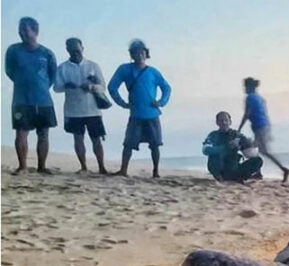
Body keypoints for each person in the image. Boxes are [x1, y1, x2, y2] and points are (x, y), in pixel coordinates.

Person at [108, 39, 171, 178]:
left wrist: (161, 102)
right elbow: (112, 87)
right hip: (136, 114)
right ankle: (123, 170)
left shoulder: (153, 71)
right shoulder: (125, 69)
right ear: (132, 54)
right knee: (128, 144)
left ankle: (156, 171)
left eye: (142, 52)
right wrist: (122, 103)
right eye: (136, 52)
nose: (140, 55)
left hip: (152, 114)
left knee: (155, 145)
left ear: (146, 53)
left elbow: (166, 88)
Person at [4, 17, 57, 175]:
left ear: (35, 31)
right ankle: (23, 166)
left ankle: (41, 166)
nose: (22, 33)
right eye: (20, 30)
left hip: (43, 100)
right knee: (21, 133)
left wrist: (40, 87)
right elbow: (9, 71)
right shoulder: (13, 50)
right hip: (21, 100)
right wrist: (23, 83)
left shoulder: (46, 53)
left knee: (43, 134)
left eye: (25, 30)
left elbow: (52, 75)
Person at [54, 37, 108, 174]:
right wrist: (67, 86)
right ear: (67, 50)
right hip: (73, 110)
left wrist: (91, 86)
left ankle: (101, 167)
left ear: (82, 49)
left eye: (77, 50)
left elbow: (102, 86)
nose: (76, 53)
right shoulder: (62, 68)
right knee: (78, 138)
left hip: (93, 110)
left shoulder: (93, 66)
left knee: (96, 139)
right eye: (72, 51)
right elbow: (56, 88)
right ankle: (83, 166)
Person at [238, 77, 289, 182]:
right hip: (264, 126)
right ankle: (258, 173)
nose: (244, 89)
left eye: (245, 86)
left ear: (249, 87)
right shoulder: (259, 98)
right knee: (254, 148)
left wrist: (239, 128)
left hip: (260, 126)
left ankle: (284, 169)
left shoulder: (250, 98)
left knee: (264, 151)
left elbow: (247, 114)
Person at [202, 111, 262, 183]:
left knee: (258, 160)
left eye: (226, 120)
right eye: (221, 120)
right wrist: (226, 147)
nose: (224, 122)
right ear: (217, 122)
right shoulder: (213, 135)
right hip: (219, 170)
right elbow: (205, 150)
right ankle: (223, 178)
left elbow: (249, 152)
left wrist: (252, 145)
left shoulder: (236, 135)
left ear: (230, 122)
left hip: (233, 169)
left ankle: (241, 177)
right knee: (214, 156)